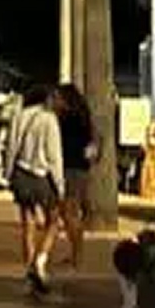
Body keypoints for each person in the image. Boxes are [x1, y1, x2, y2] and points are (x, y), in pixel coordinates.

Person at [3, 84, 64, 294]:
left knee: (27, 223)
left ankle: (29, 269)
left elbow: (10, 147)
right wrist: (60, 184)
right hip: (42, 176)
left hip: (21, 173)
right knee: (53, 220)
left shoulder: (18, 116)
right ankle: (41, 259)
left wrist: (8, 173)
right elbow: (54, 156)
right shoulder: (49, 120)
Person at [54, 83, 96, 271]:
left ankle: (77, 256)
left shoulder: (66, 119)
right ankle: (76, 253)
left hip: (70, 168)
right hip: (81, 167)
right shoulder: (83, 117)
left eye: (58, 97)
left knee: (69, 213)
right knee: (71, 212)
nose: (55, 101)